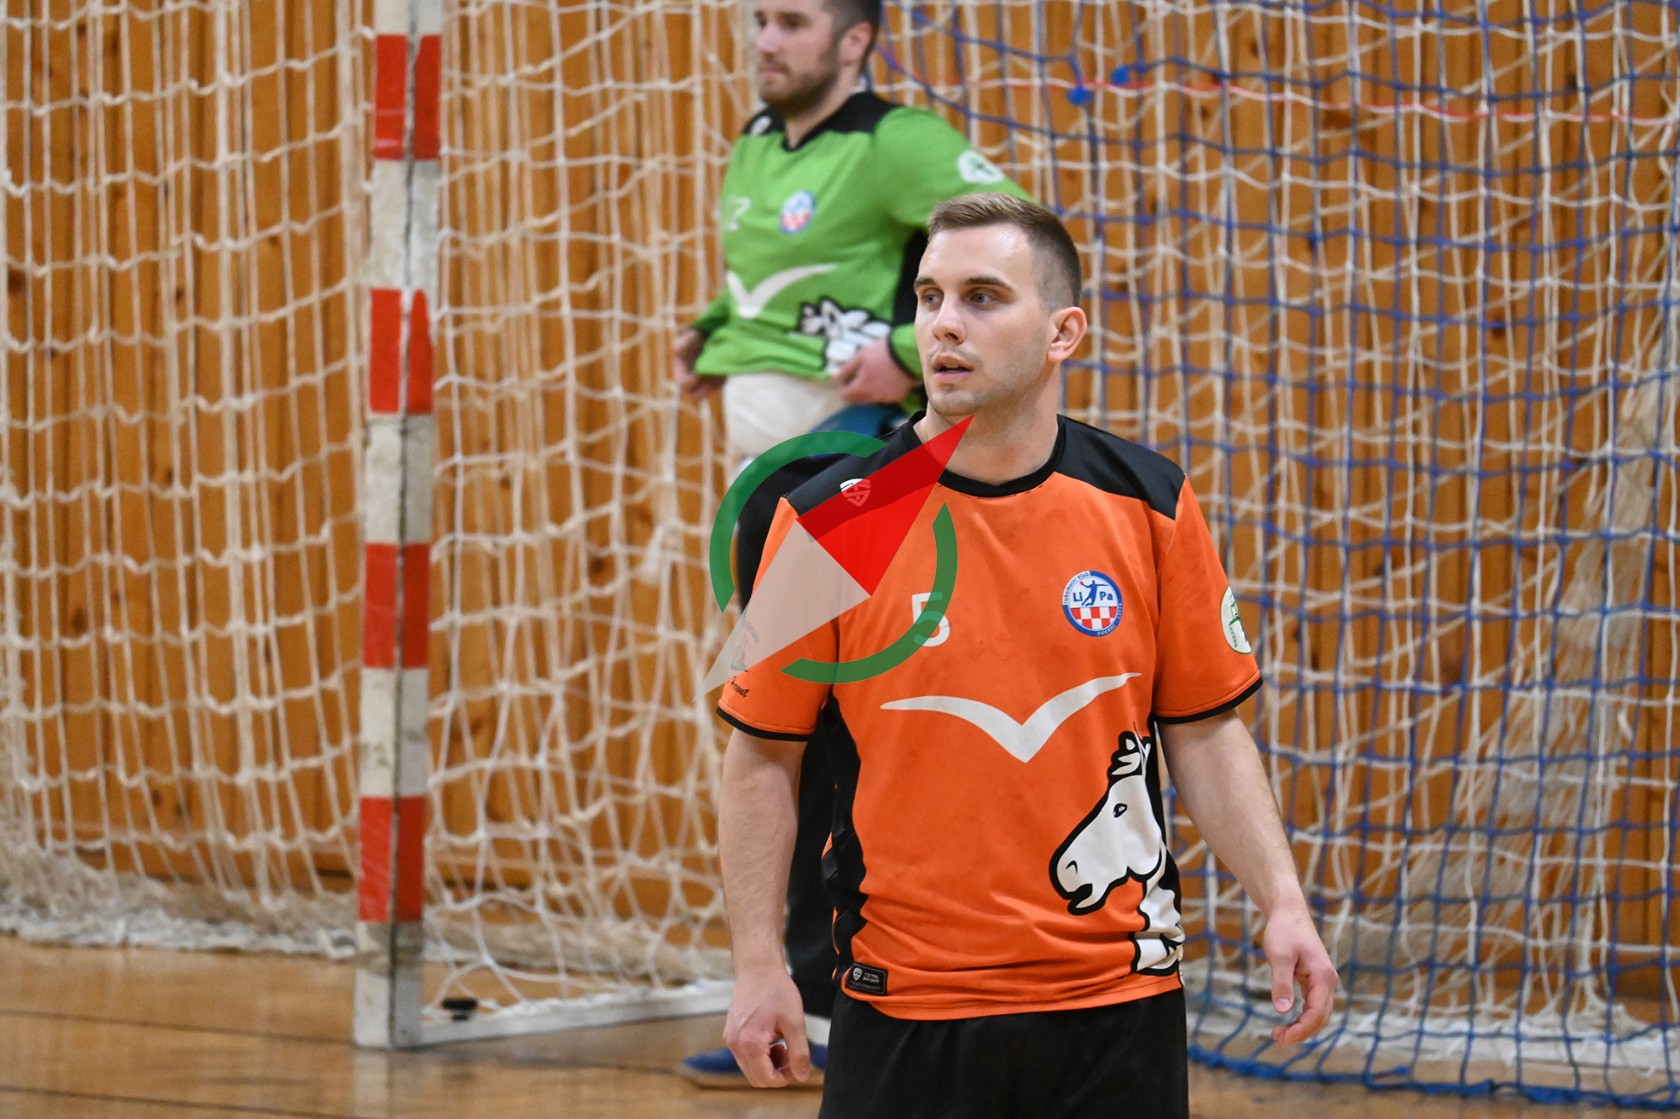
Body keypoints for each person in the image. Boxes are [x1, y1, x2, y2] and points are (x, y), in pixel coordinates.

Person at [713, 193, 1338, 1116]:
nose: (944, 323)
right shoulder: (827, 522)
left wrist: (1282, 898)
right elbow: (762, 753)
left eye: (982, 297)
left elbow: (1205, 732)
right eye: (929, 297)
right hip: (906, 1005)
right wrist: (759, 961)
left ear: (1062, 332)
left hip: (1118, 1005)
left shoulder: (1150, 502)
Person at [674, 0, 1028, 1089]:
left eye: (792, 21)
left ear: (857, 40)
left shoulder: (897, 143)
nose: (766, 40)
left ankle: (842, 1003)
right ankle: (805, 997)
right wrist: (715, 335)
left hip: (860, 478)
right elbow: (775, 294)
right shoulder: (755, 141)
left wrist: (907, 354)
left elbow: (1020, 245)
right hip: (772, 486)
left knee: (827, 735)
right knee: (786, 727)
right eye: (760, 19)